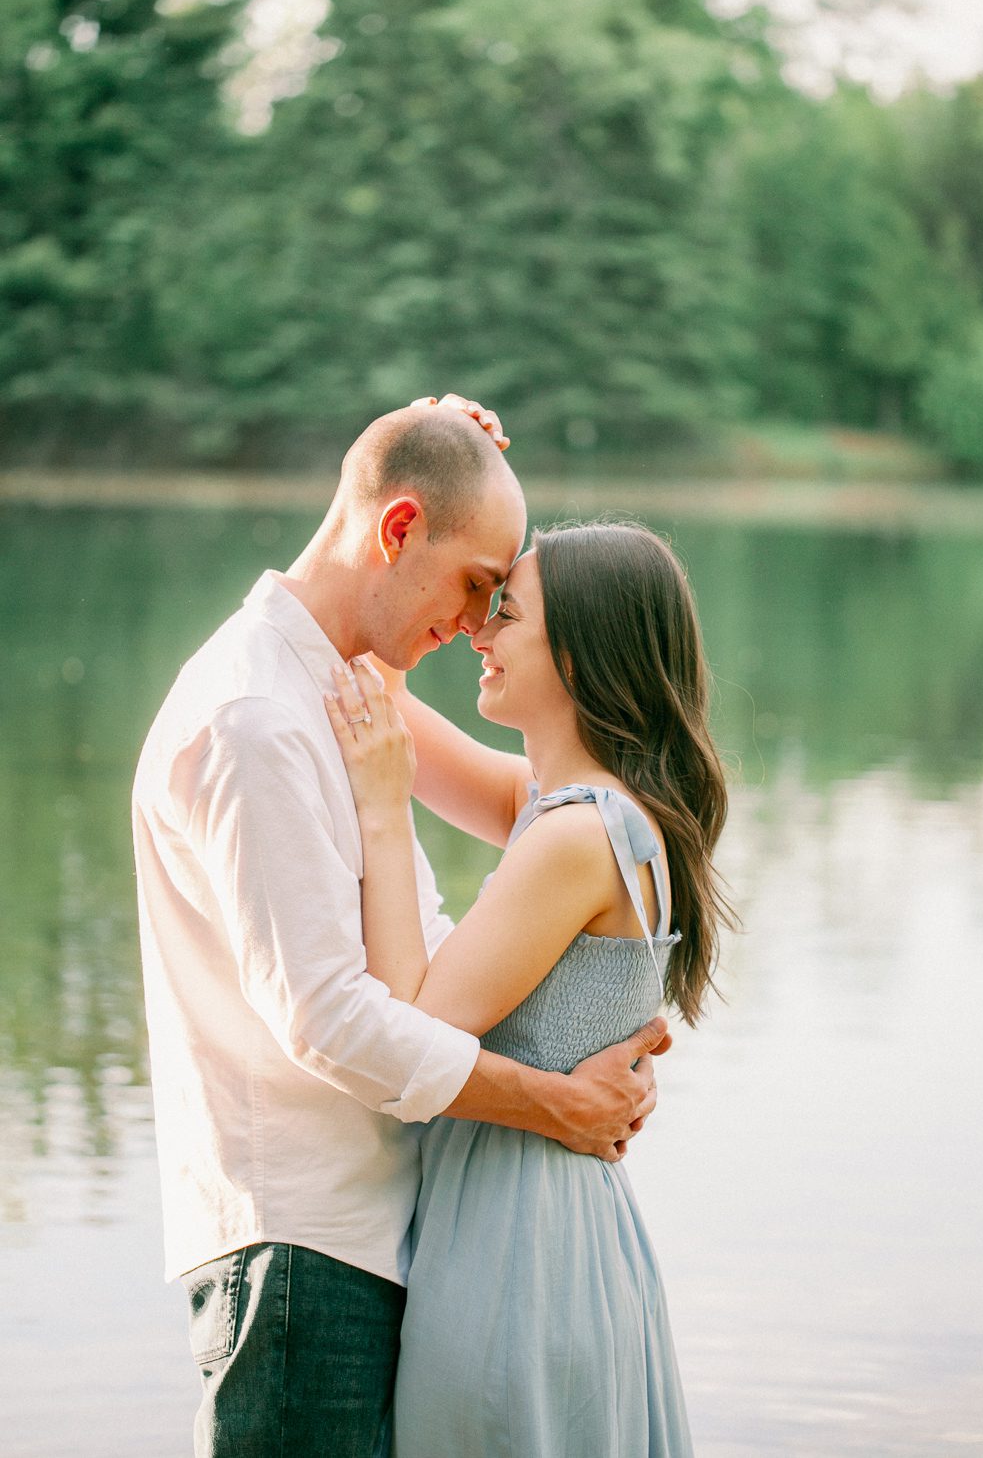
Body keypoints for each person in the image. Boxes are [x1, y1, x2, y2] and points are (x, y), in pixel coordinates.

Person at [131, 395, 671, 1458]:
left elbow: (521, 816)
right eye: (476, 587)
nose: (477, 622)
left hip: (374, 1240)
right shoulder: (256, 720)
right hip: (298, 1252)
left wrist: (425, 431)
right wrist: (551, 1101)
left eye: (499, 603)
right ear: (396, 532)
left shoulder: (336, 692)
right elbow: (331, 1019)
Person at [324, 519, 733, 1457]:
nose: (477, 630)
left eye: (505, 612)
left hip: (517, 1253)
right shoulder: (582, 811)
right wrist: (402, 517)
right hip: (567, 1238)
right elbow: (368, 686)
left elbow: (414, 1028)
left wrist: (384, 813)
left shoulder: (576, 837)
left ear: (583, 654)